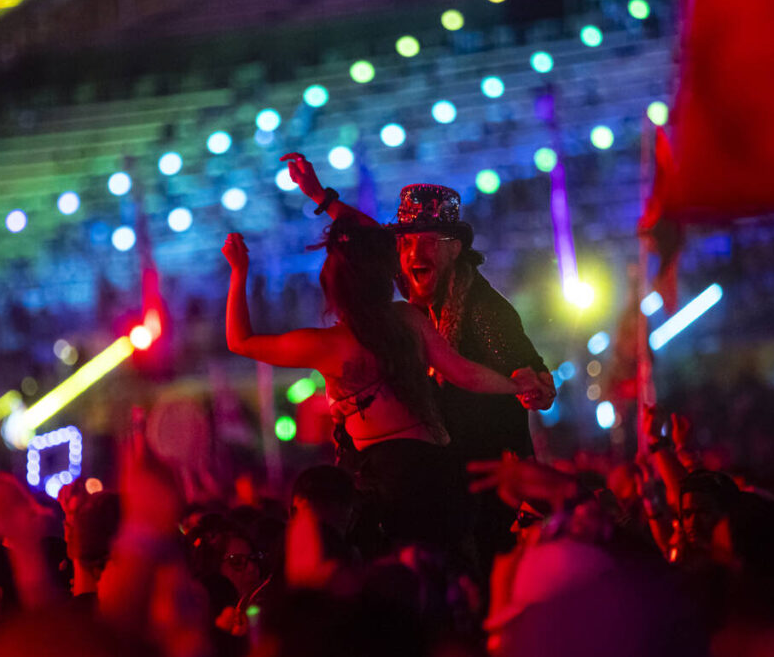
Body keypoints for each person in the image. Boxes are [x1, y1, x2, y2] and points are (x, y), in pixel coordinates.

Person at [279, 153, 554, 565]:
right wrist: (321, 195)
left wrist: (534, 386)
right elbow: (368, 236)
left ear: (455, 249)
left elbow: (530, 374)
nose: (413, 253)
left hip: (488, 488)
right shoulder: (414, 290)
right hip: (437, 482)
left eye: (429, 242)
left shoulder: (483, 311)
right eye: (406, 243)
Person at [223, 209, 546, 549]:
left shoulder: (327, 345)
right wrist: (515, 385)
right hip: (438, 473)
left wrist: (238, 272)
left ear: (333, 285)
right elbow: (463, 372)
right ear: (384, 275)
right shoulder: (406, 319)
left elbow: (239, 341)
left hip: (391, 485)